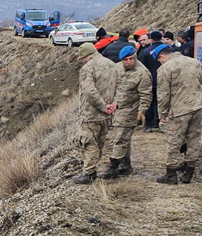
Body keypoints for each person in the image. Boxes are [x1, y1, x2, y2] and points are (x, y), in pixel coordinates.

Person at [154, 46, 202, 184]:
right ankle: (188, 174)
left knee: (174, 142)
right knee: (194, 140)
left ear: (162, 57)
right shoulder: (195, 62)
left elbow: (163, 95)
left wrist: (162, 114)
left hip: (179, 109)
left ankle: (171, 175)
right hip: (198, 107)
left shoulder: (165, 68)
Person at [72, 42, 120, 184]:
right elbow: (120, 86)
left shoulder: (87, 69)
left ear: (86, 55)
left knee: (88, 143)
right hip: (107, 114)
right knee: (99, 142)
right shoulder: (113, 65)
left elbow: (90, 91)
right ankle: (92, 169)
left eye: (82, 58)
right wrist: (113, 104)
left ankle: (89, 173)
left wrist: (103, 106)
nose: (83, 61)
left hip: (91, 114)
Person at [104, 45, 151, 179]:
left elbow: (146, 94)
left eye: (131, 59)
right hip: (116, 108)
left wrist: (142, 111)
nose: (129, 62)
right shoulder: (117, 68)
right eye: (126, 60)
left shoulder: (142, 72)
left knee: (120, 138)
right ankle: (125, 165)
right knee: (123, 138)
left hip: (130, 110)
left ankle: (113, 167)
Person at [137, 31, 167, 131]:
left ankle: (148, 125)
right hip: (165, 81)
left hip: (150, 81)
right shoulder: (168, 50)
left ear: (151, 39)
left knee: (150, 102)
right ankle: (161, 123)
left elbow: (141, 68)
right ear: (161, 38)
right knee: (163, 102)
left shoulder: (145, 51)